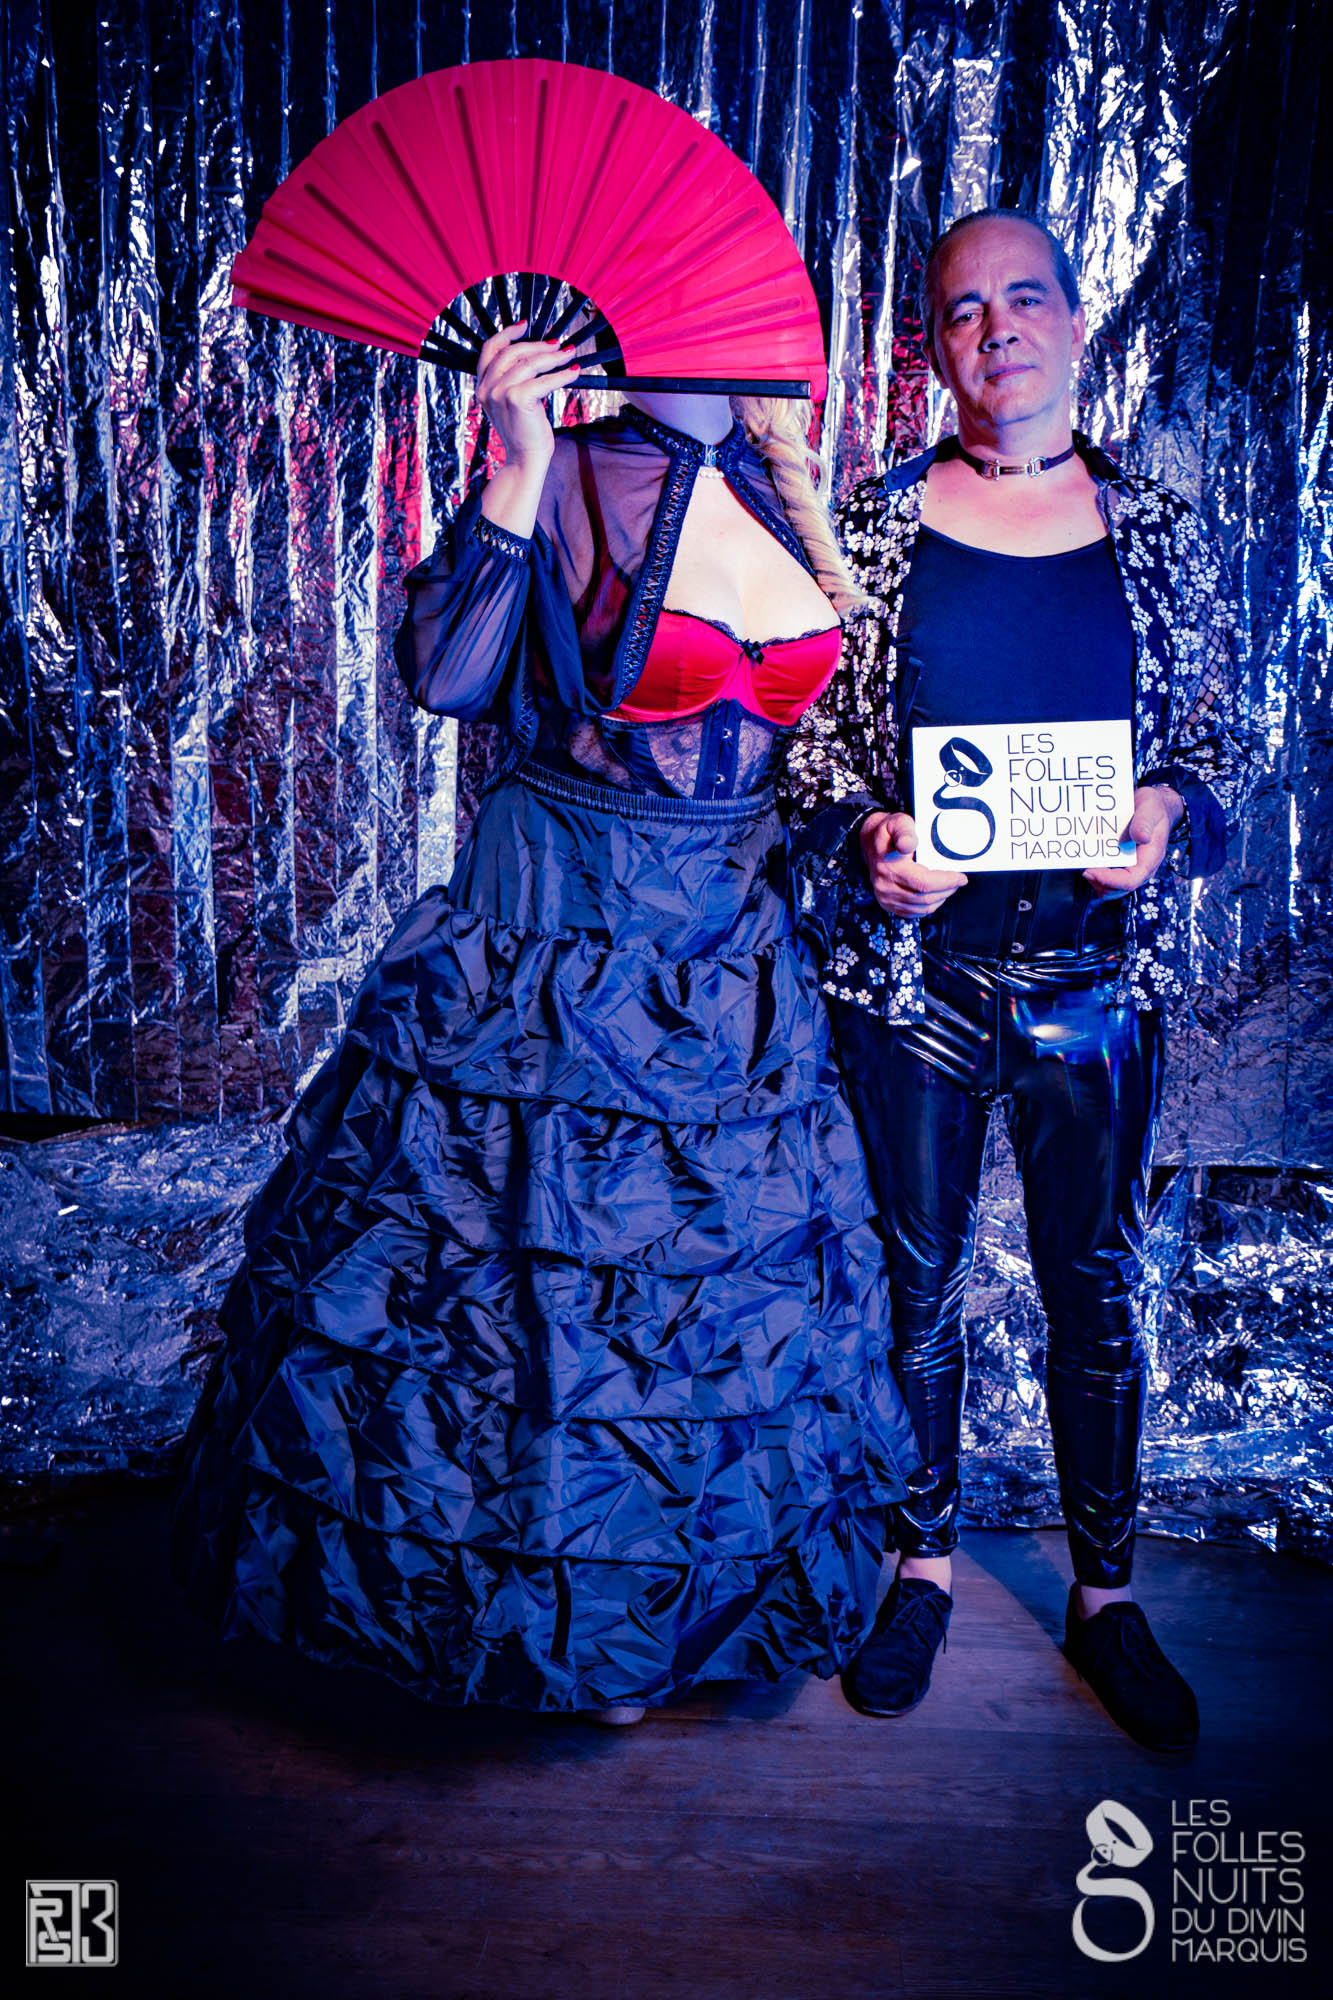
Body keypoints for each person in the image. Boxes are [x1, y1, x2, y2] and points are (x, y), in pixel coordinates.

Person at [171, 321, 922, 1723]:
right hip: (557, 951)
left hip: (725, 960)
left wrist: (881, 839)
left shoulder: (788, 494)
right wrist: (513, 468)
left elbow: (811, 758)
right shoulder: (569, 473)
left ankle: (661, 1621)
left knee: (695, 1313)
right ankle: (548, 1639)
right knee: (544, 1304)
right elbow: (449, 681)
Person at [779, 208, 1248, 1751]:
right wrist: (864, 836)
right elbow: (809, 757)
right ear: (930, 345)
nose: (997, 329)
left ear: (1071, 323)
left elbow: (1214, 744)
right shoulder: (872, 529)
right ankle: (917, 1569)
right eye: (964, 309)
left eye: (1023, 299)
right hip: (913, 982)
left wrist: (1163, 814)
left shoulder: (1152, 529)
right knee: (912, 1288)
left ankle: (1105, 1600)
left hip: (1093, 980)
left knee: (1092, 1289)